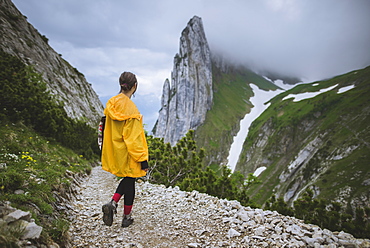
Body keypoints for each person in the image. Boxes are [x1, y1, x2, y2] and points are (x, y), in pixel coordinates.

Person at [101, 71, 149, 228]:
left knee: (129, 181)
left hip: (115, 152)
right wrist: (143, 159)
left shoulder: (111, 104)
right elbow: (133, 138)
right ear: (134, 87)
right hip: (129, 153)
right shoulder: (132, 110)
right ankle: (116, 205)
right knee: (130, 179)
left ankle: (124, 215)